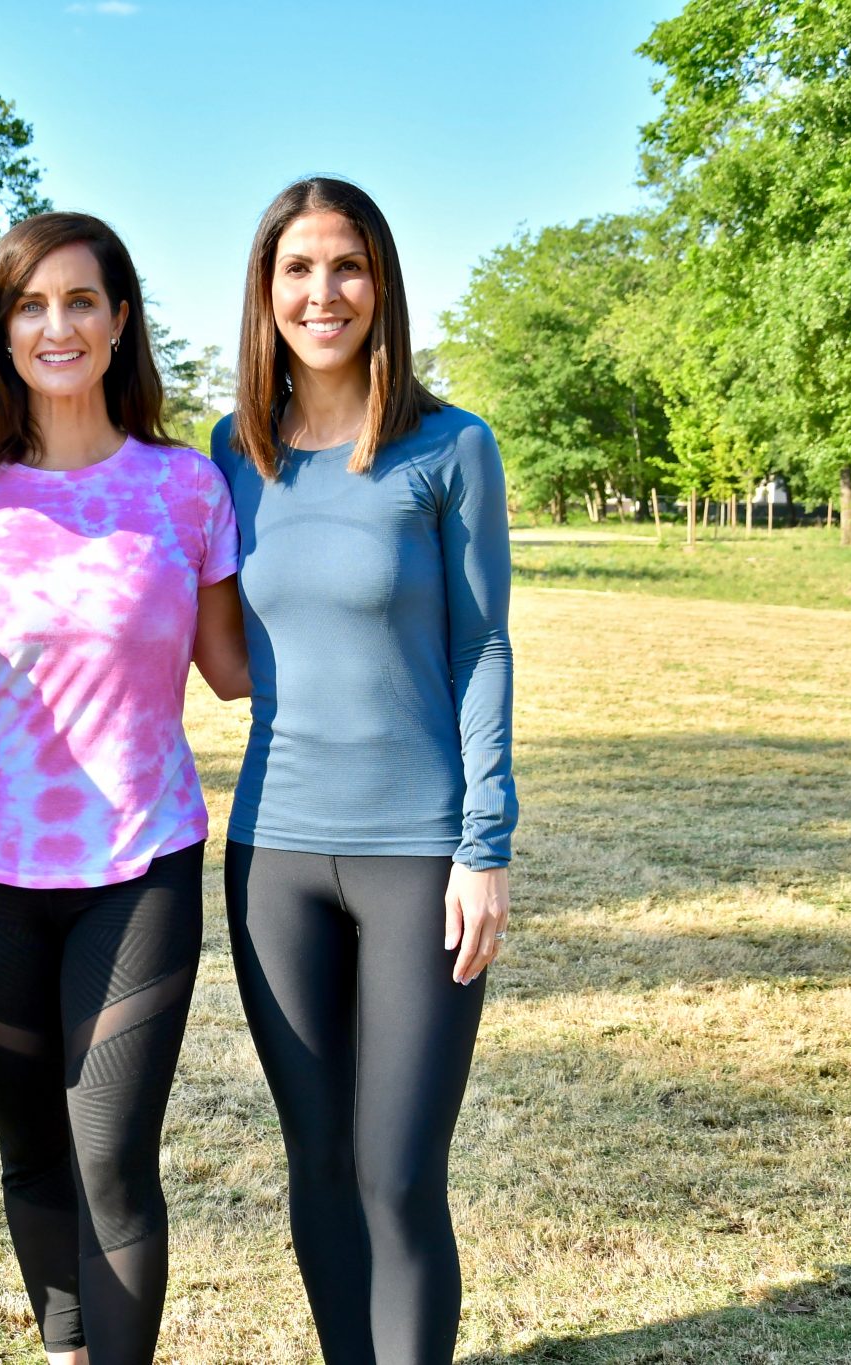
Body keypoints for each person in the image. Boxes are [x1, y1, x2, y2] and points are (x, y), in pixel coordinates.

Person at [0, 210, 250, 1365]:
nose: (54, 325)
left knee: (110, 1156)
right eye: (28, 304)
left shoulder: (187, 487)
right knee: (32, 1154)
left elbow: (233, 669)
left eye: (79, 301)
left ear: (118, 323)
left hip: (138, 867)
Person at [209, 176, 516, 1365]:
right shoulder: (230, 457)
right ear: (265, 291)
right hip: (271, 855)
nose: (319, 292)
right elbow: (225, 662)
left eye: (344, 266)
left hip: (416, 860)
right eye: (295, 269)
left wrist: (481, 845)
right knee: (318, 1165)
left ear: (379, 282)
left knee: (394, 1175)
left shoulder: (449, 448)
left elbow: (480, 644)